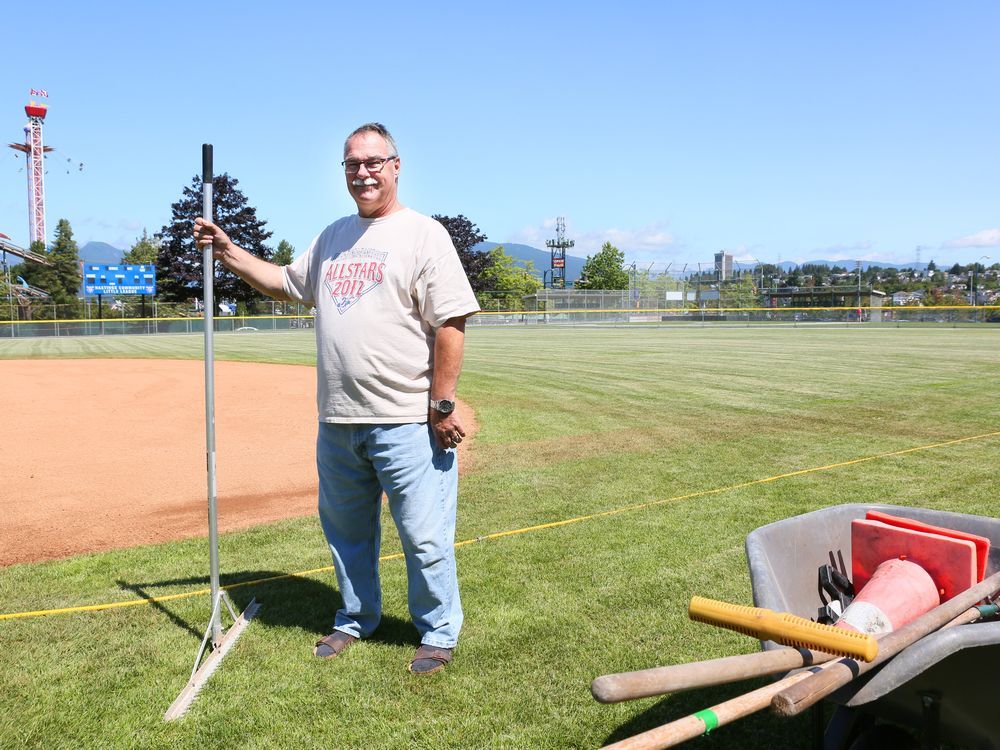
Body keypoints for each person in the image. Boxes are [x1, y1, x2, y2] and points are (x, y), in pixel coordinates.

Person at [193, 122, 479, 674]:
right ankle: (355, 619)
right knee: (347, 536)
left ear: (396, 166)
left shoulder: (424, 234)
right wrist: (228, 251)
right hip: (339, 420)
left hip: (405, 422)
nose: (363, 173)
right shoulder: (333, 236)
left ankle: (438, 632)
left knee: (424, 537)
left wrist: (441, 405)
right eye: (352, 164)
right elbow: (284, 283)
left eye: (374, 162)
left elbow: (451, 321)